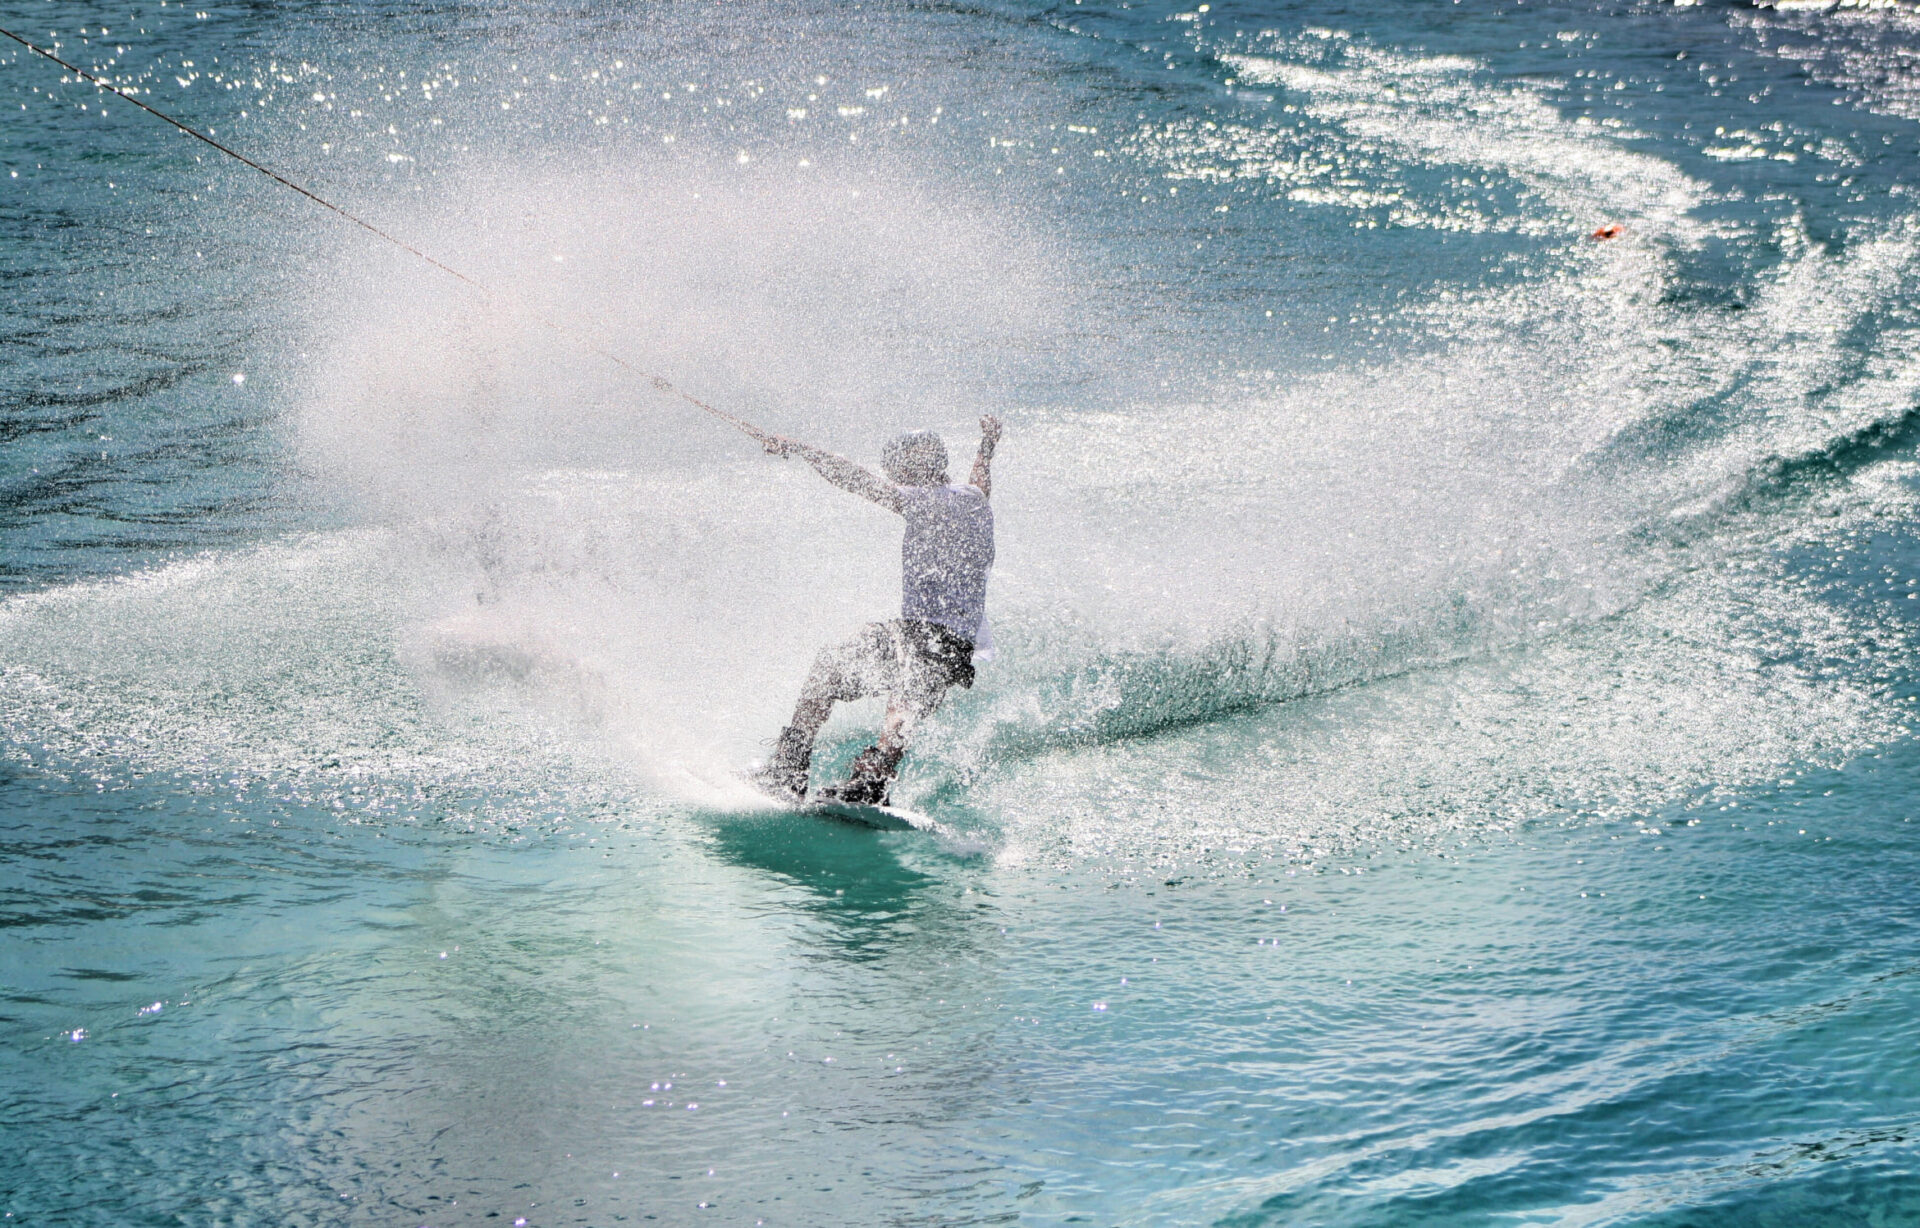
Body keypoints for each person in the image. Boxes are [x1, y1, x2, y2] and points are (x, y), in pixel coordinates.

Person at [748, 415, 1001, 806]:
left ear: (910, 467)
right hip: (917, 631)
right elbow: (980, 478)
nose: (895, 474)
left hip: (941, 638)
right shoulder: (973, 498)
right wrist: (986, 446)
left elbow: (856, 480)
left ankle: (870, 781)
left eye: (899, 467)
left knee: (905, 690)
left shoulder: (922, 499)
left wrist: (799, 448)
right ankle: (789, 768)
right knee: (831, 665)